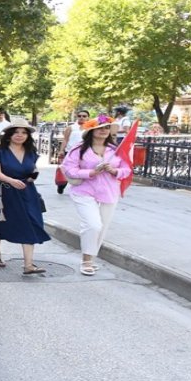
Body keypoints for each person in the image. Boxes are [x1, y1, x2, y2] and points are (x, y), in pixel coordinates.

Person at [60, 115, 132, 276]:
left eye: (106, 128)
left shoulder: (115, 151)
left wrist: (115, 171)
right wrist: (91, 172)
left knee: (102, 227)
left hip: (109, 192)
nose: (103, 131)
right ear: (91, 131)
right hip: (84, 191)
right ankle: (86, 260)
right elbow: (69, 169)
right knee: (93, 225)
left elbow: (127, 169)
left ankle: (91, 259)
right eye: (99, 128)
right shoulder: (78, 150)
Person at [0, 120, 51, 274]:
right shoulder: (0, 151)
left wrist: (33, 175)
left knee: (31, 222)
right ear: (10, 135)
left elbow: (33, 168)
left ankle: (29, 265)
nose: (20, 135)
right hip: (2, 192)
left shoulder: (31, 151)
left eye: (24, 132)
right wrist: (11, 181)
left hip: (26, 192)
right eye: (16, 132)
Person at [57, 110, 90, 194]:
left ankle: (81, 188)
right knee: (68, 170)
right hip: (70, 152)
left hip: (85, 152)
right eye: (79, 116)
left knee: (82, 171)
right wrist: (61, 150)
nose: (82, 117)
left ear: (88, 117)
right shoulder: (71, 127)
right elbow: (65, 140)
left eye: (84, 116)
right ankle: (61, 185)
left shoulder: (90, 128)